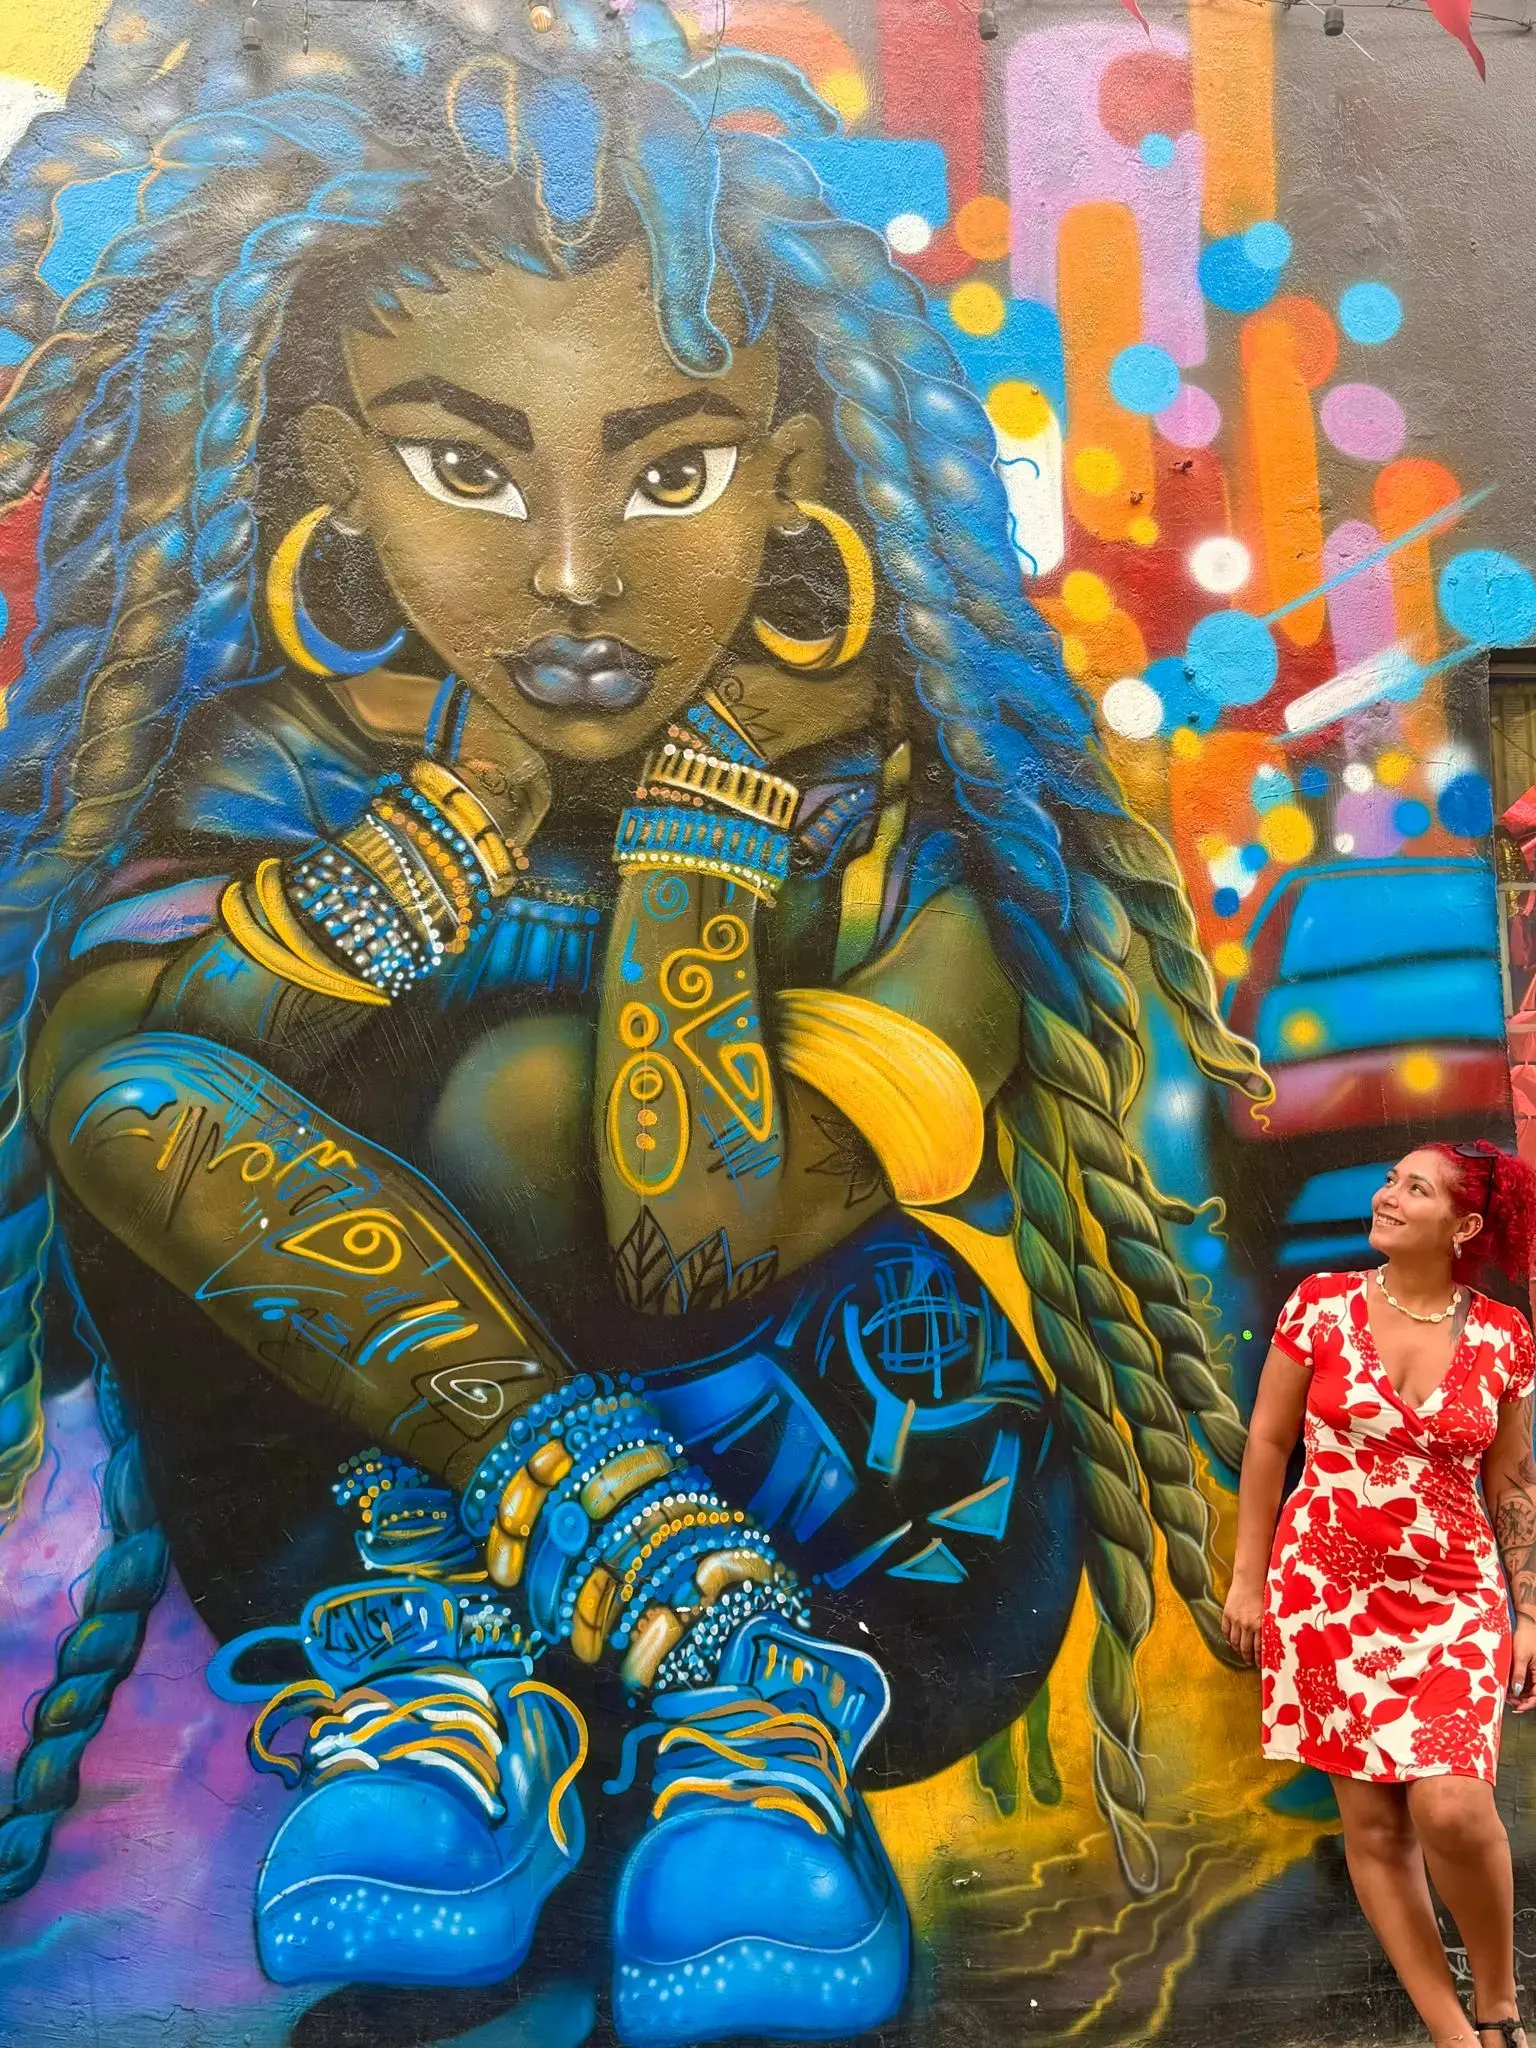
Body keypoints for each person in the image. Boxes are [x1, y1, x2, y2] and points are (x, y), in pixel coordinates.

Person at [0, 3, 1270, 2040]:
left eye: (671, 467)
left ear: (800, 478)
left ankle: (741, 1689)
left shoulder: (907, 844)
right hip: (400, 1598)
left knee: (517, 1090)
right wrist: (413, 857)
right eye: (461, 466)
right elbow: (105, 1097)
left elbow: (696, 1232)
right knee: (133, 1073)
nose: (576, 575)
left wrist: (700, 842)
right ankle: (578, 1650)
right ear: (329, 470)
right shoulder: (278, 773)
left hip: (884, 1543)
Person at [1224, 1139, 1536, 2048]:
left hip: (1455, 1597)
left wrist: (1530, 1611)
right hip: (1325, 1596)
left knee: (1449, 1802)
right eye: (1391, 1180)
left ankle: (1500, 2002)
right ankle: (1454, 2037)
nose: (1387, 1196)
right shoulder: (1318, 1307)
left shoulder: (1506, 1337)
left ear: (1464, 1224)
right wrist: (1249, 1580)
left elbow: (1512, 1482)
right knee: (1373, 1824)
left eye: (1415, 1188)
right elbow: (1267, 1446)